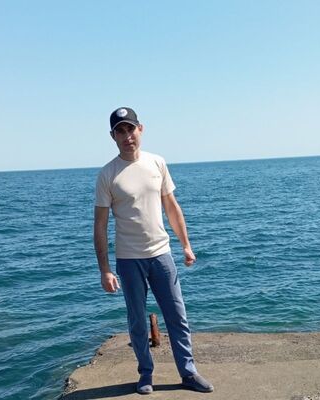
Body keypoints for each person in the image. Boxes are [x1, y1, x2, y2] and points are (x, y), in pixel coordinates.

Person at [93, 107, 214, 394]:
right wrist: (105, 270)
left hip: (161, 254)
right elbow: (100, 226)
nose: (127, 136)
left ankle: (188, 373)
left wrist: (186, 245)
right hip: (128, 259)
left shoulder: (157, 163)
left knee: (177, 316)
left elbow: (171, 207)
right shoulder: (107, 174)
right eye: (120, 131)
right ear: (112, 136)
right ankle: (145, 374)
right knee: (137, 321)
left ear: (141, 129)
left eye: (130, 129)